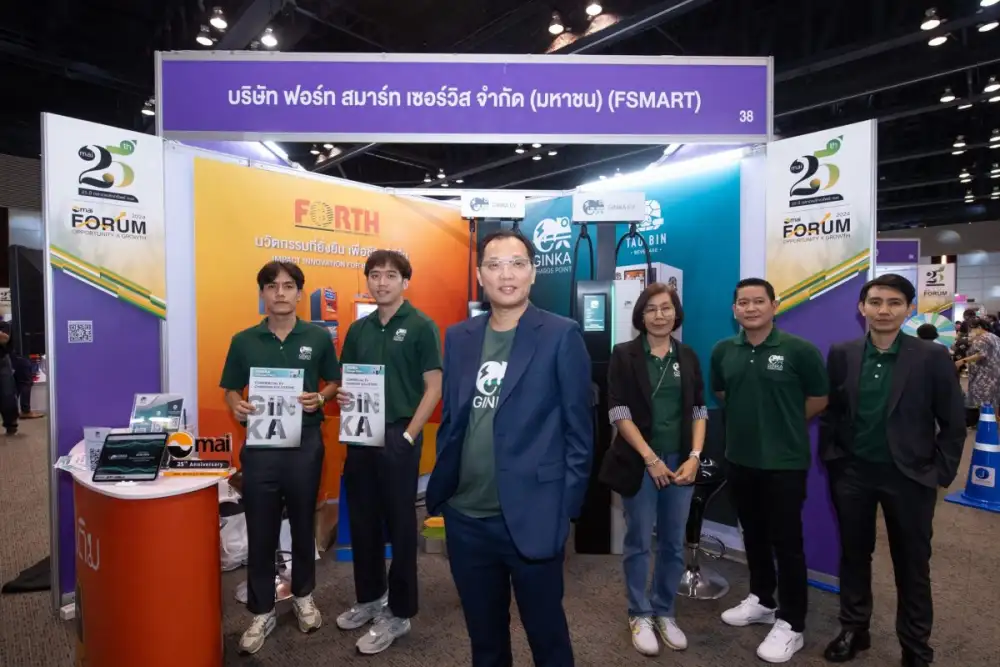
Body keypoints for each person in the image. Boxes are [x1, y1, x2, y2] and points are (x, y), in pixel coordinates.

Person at [425, 229, 593, 667]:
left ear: (533, 273)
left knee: (548, 639)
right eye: (495, 265)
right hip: (466, 518)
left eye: (517, 263)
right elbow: (454, 418)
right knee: (485, 641)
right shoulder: (459, 336)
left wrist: (565, 509)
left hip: (534, 515)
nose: (506, 274)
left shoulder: (560, 335)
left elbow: (579, 431)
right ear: (480, 275)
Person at [819, 274, 965, 667]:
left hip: (911, 477)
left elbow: (953, 423)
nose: (884, 310)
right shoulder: (843, 353)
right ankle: (855, 629)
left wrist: (940, 473)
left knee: (912, 563)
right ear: (861, 307)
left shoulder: (931, 356)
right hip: (852, 473)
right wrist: (833, 457)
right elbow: (833, 411)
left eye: (894, 303)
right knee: (854, 554)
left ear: (909, 309)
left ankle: (915, 647)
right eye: (876, 302)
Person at [220, 261, 341, 655]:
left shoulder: (317, 337)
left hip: (305, 444)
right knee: (261, 528)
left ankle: (304, 595)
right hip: (261, 448)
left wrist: (320, 397)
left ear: (299, 293)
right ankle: (262, 610)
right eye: (272, 286)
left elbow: (333, 381)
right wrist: (236, 404)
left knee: (303, 522)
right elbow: (230, 388)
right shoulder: (244, 341)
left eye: (288, 286)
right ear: (263, 294)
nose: (280, 293)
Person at [710, 277, 829, 664]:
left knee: (787, 544)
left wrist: (784, 424)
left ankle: (792, 623)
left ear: (774, 305)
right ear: (734, 309)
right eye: (743, 302)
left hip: (784, 464)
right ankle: (762, 599)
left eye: (758, 301)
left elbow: (819, 398)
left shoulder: (800, 350)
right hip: (740, 461)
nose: (750, 308)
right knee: (754, 536)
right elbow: (723, 393)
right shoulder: (723, 350)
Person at [334, 250, 443, 654]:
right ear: (367, 280)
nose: (382, 282)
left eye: (391, 275)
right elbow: (347, 380)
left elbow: (434, 387)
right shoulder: (359, 329)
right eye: (375, 275)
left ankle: (399, 613)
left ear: (405, 282)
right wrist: (342, 395)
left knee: (400, 526)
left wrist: (410, 436)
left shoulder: (420, 326)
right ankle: (369, 598)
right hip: (360, 434)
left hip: (399, 434)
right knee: (363, 521)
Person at [598, 283, 707, 656]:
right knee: (639, 541)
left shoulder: (688, 356)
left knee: (674, 542)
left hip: (681, 462)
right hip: (640, 461)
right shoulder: (624, 354)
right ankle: (639, 613)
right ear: (640, 315)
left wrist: (695, 455)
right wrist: (650, 457)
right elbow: (618, 411)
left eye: (666, 308)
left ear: (676, 313)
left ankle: (664, 610)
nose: (660, 315)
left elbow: (699, 409)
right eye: (651, 309)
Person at [955, 317, 1000, 412]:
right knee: (993, 401)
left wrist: (962, 361)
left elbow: (980, 354)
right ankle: (993, 419)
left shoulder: (982, 338)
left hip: (984, 375)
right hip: (995, 373)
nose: (971, 332)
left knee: (981, 400)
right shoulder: (994, 337)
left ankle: (981, 418)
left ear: (979, 327)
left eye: (972, 329)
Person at [0, 320, 19, 436]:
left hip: (2, 361)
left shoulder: (4, 325)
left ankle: (11, 424)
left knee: (7, 394)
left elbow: (4, 338)